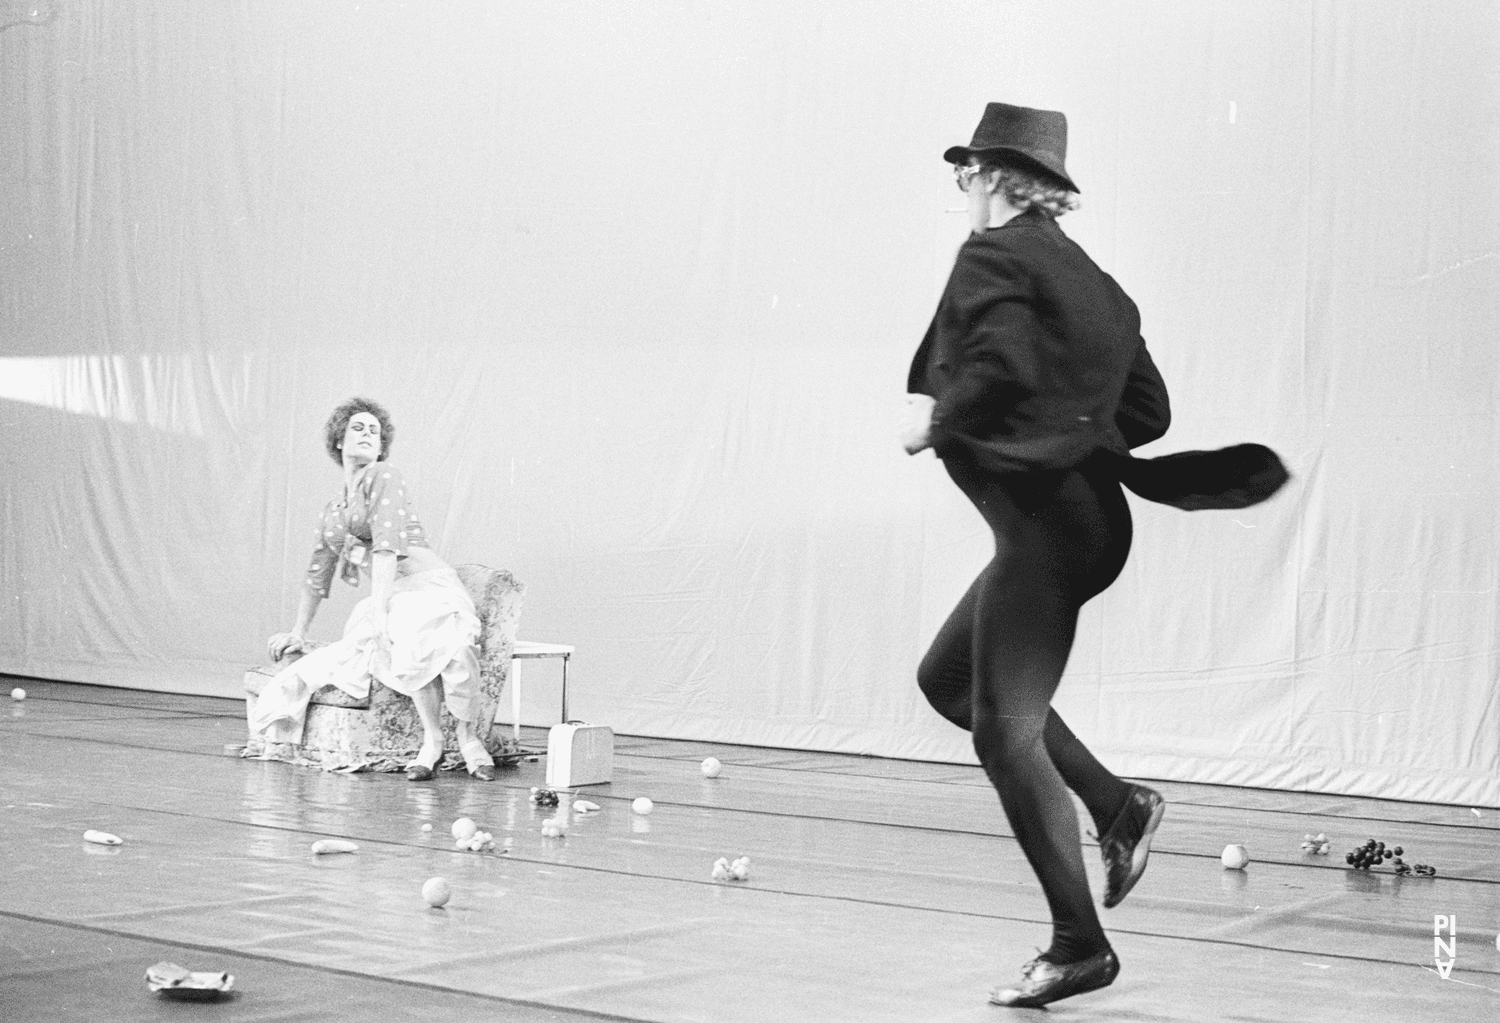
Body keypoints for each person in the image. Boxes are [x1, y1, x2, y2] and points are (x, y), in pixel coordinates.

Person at [903, 103, 1286, 1008]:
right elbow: (1149, 411)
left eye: (965, 175)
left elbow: (989, 362)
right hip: (1085, 522)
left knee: (1003, 729)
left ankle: (1080, 943)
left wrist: (937, 419)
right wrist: (1069, 423)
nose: (961, 191)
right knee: (950, 683)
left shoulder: (991, 253)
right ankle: (1119, 806)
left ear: (996, 177)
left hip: (1045, 528)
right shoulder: (1098, 284)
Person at [250, 397, 497, 782]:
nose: (366, 434)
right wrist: (299, 631)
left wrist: (381, 610)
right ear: (338, 441)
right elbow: (318, 573)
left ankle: (468, 738)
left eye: (374, 431)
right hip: (393, 596)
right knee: (328, 662)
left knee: (425, 637)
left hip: (429, 590)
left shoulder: (384, 475)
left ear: (382, 448)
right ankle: (433, 741)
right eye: (357, 428)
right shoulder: (334, 509)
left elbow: (386, 545)